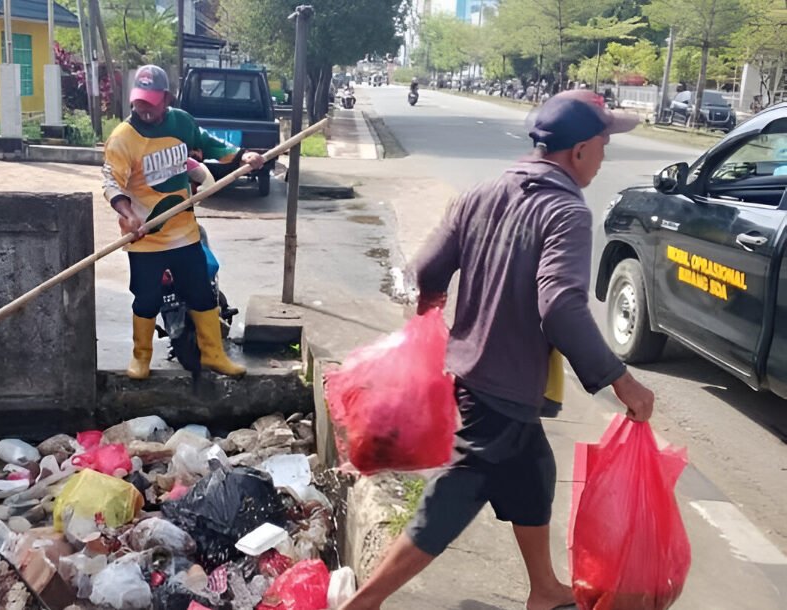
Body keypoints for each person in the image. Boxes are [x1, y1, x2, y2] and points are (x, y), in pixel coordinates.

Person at [340, 90, 657, 610]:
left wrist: (440, 315)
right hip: (501, 390)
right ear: (578, 151)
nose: (604, 156)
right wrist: (620, 379)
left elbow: (427, 271)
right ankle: (363, 603)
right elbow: (560, 307)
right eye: (603, 144)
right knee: (451, 500)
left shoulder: (482, 193)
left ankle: (545, 589)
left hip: (474, 373)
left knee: (533, 470)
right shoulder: (566, 210)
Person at [102, 64, 264, 380]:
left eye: (150, 101)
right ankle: (141, 358)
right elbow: (112, 182)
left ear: (166, 98)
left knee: (202, 294)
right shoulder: (123, 138)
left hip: (184, 233)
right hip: (145, 237)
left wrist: (243, 155)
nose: (143, 108)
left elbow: (209, 142)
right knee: (146, 299)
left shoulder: (181, 123)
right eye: (139, 101)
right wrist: (128, 213)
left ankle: (214, 354)